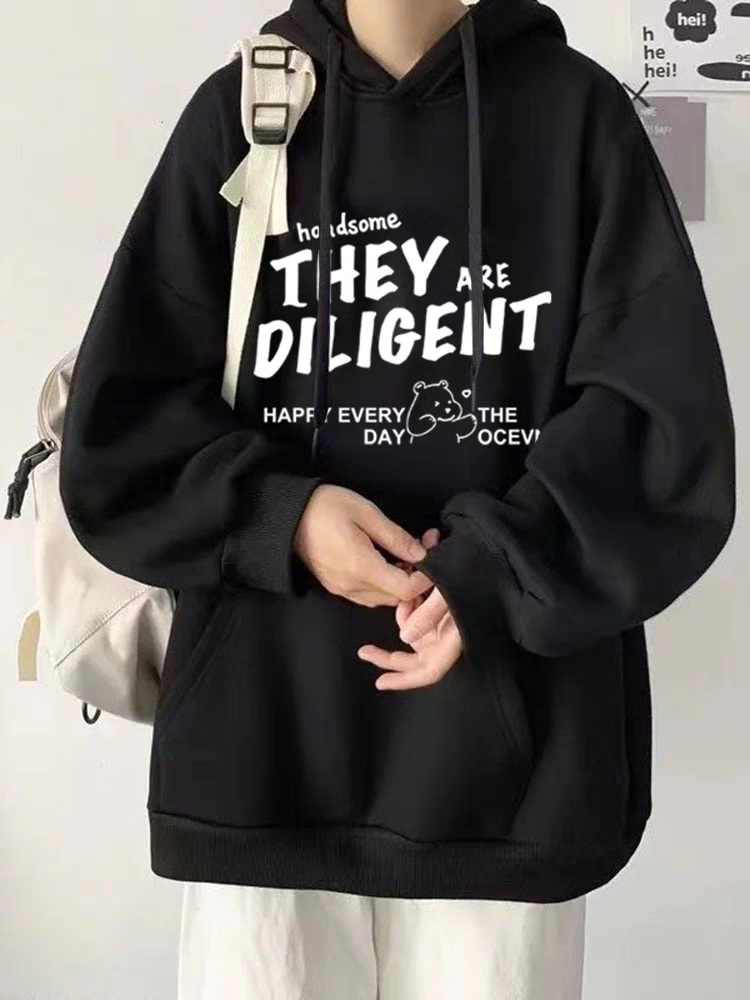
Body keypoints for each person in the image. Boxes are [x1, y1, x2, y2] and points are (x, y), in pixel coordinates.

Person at [59, 0, 735, 997]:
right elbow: (120, 436)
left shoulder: (577, 117)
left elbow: (664, 436)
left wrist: (494, 570)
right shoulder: (244, 113)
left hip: (505, 782)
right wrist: (285, 521)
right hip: (265, 756)